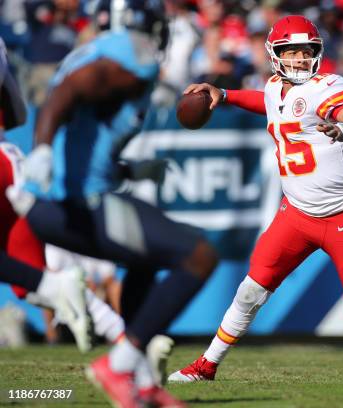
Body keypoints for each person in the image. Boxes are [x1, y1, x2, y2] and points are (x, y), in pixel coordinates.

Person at [168, 15, 343, 383]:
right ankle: (207, 365)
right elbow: (267, 100)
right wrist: (226, 94)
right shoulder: (273, 87)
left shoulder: (328, 86)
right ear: (274, 54)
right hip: (296, 215)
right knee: (251, 289)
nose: (299, 59)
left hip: (342, 214)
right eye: (291, 52)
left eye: (306, 51)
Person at [5, 0, 219, 406]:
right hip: (75, 205)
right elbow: (66, 94)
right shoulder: (129, 52)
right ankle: (121, 363)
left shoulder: (100, 50)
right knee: (199, 255)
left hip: (62, 204)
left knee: (146, 260)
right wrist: (43, 148)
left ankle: (138, 380)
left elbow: (84, 134)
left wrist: (129, 171)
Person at [0, 37, 92, 353]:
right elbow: (18, 114)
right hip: (8, 161)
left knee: (34, 276)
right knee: (30, 277)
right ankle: (120, 334)